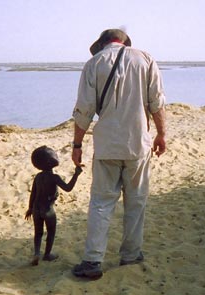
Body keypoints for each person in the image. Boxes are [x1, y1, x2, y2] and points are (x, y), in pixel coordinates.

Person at [71, 29, 166, 279]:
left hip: (107, 146)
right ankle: (131, 254)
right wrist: (161, 134)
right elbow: (157, 102)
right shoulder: (145, 59)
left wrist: (77, 145)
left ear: (103, 44)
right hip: (138, 144)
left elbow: (84, 110)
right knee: (136, 201)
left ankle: (92, 261)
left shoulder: (93, 63)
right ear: (124, 42)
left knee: (101, 203)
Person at [25, 145, 83, 266]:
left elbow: (33, 194)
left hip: (36, 208)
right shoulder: (54, 177)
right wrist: (76, 174)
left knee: (38, 232)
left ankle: (36, 253)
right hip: (48, 209)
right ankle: (47, 254)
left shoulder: (38, 177)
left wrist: (30, 208)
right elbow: (68, 188)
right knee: (51, 231)